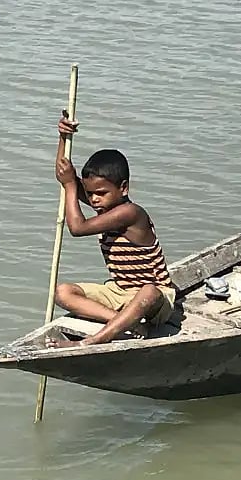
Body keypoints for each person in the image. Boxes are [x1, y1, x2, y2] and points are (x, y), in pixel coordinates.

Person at [45, 111, 176, 346]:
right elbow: (64, 175)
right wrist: (63, 137)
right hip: (119, 291)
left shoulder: (130, 213)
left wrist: (70, 186)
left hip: (156, 298)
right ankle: (124, 321)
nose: (94, 200)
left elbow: (77, 227)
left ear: (123, 188)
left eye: (101, 193)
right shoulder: (106, 206)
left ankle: (91, 341)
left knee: (148, 292)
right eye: (91, 193)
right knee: (63, 292)